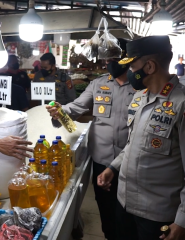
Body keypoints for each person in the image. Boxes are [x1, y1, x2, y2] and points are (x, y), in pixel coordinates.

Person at [97, 36, 185, 240]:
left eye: (133, 66)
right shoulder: (140, 97)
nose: (130, 71)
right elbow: (134, 143)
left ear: (149, 66)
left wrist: (184, 219)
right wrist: (113, 167)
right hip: (124, 203)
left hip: (157, 214)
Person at [46, 39, 135, 240]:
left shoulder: (140, 86)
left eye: (114, 58)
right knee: (106, 210)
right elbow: (76, 107)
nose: (109, 63)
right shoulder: (98, 84)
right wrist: (59, 112)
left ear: (127, 59)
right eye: (107, 59)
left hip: (129, 160)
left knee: (128, 214)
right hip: (101, 160)